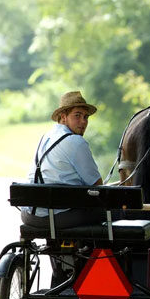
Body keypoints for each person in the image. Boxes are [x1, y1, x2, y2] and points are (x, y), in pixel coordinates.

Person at [20, 90, 103, 229]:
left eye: (86, 117)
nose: (83, 122)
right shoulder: (76, 142)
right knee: (117, 212)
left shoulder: (46, 137)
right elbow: (98, 187)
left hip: (29, 215)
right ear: (63, 117)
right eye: (77, 115)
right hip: (56, 217)